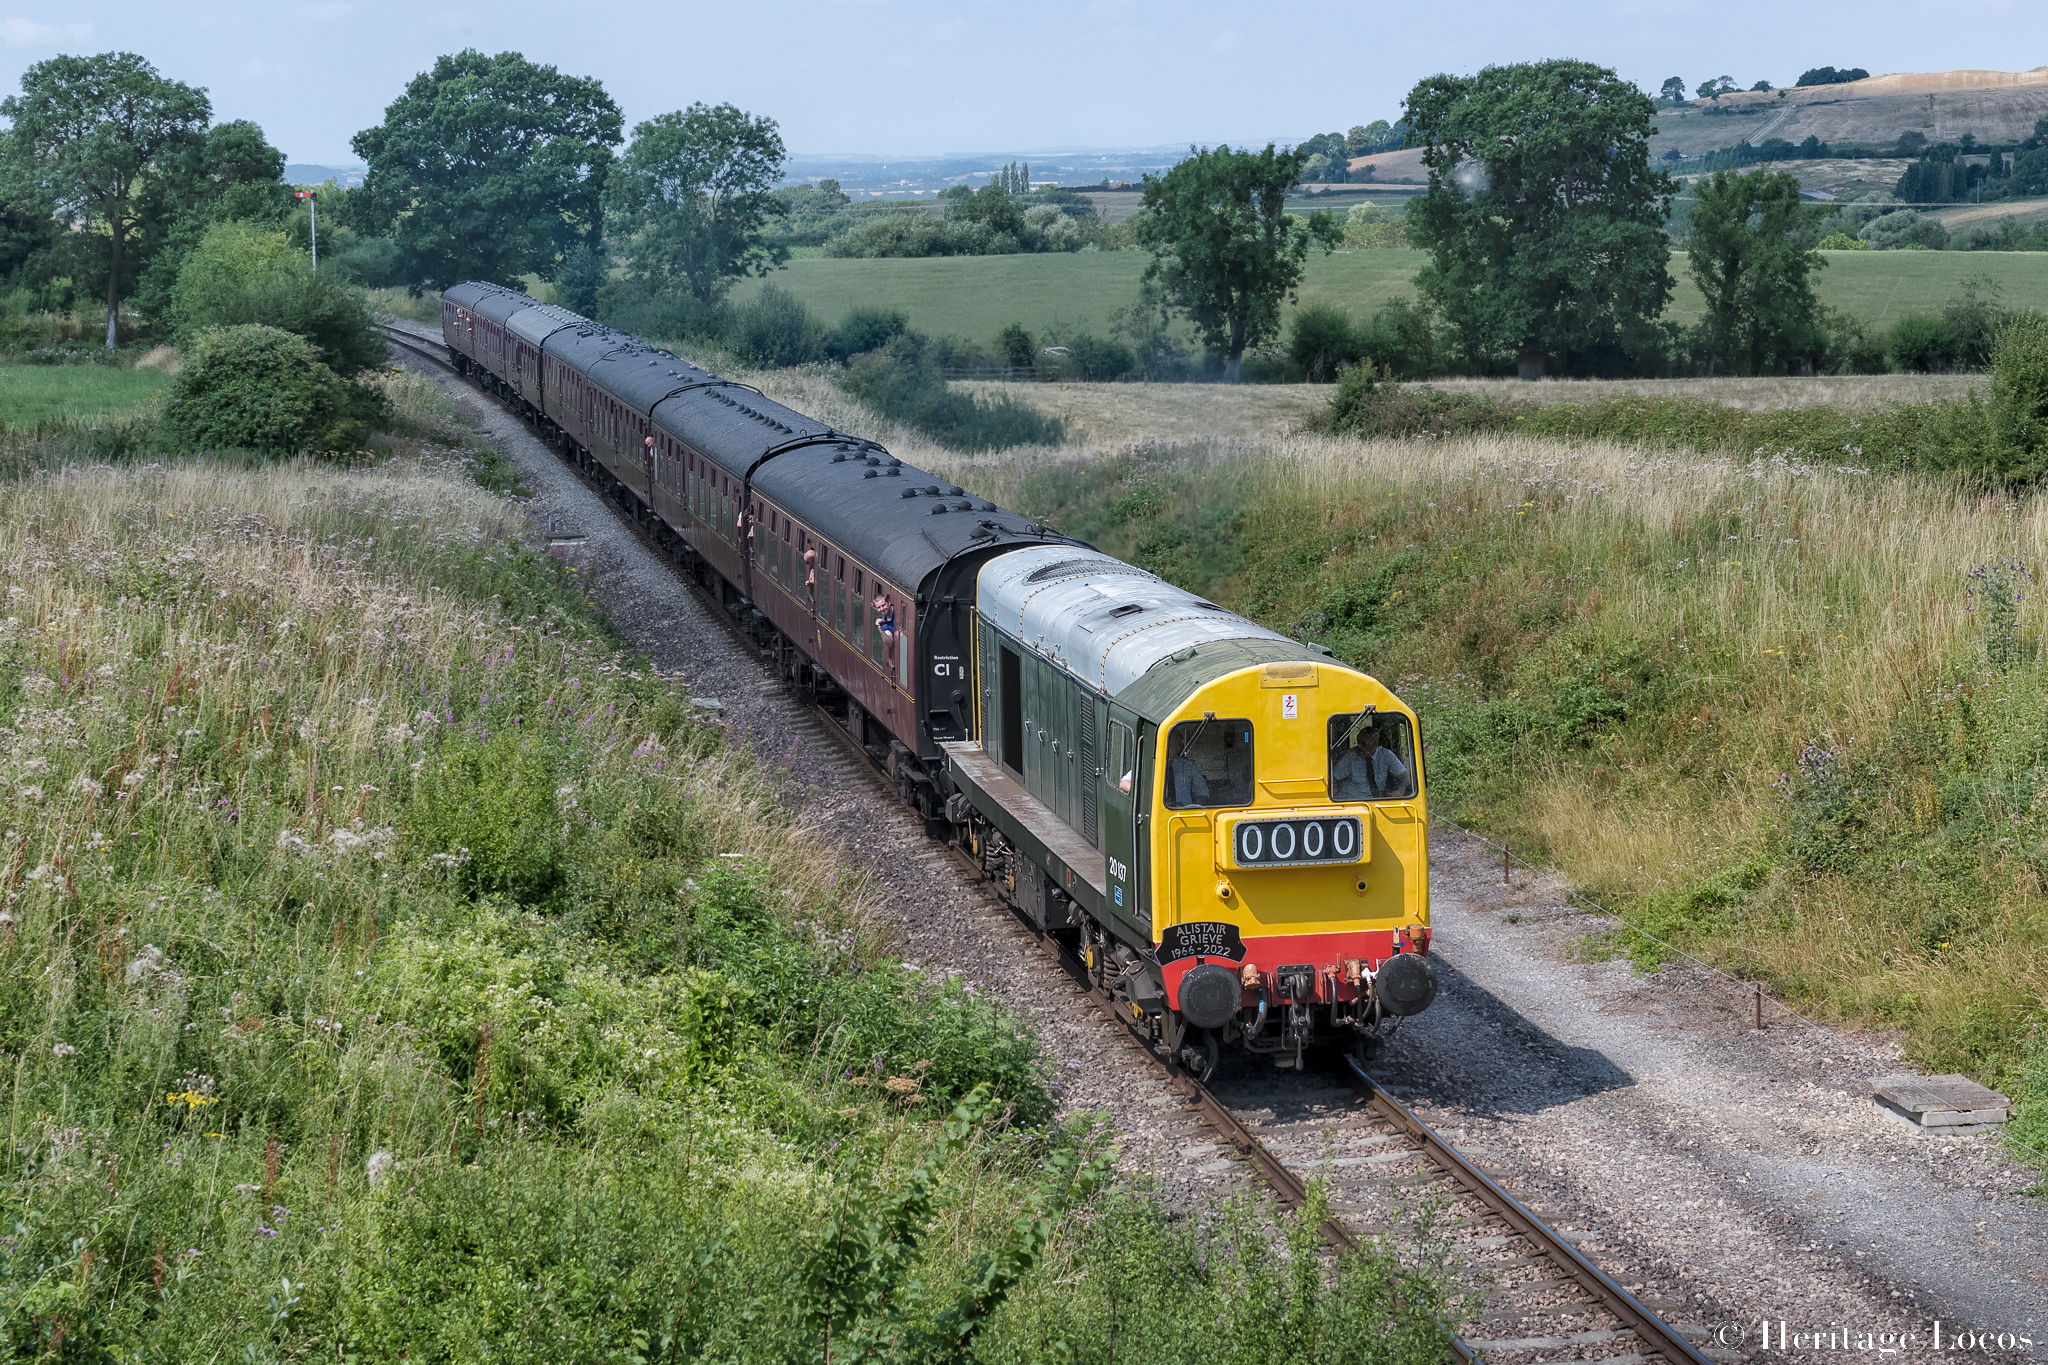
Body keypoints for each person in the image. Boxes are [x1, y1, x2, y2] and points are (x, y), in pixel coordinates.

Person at [1332, 725, 1408, 800]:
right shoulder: (1351, 755)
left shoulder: (1386, 755)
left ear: (1375, 743)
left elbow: (1406, 777)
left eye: (1363, 743)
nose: (1359, 746)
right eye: (1358, 742)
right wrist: (1334, 795)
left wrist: (1400, 791)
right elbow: (1333, 777)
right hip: (1351, 800)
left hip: (1377, 800)